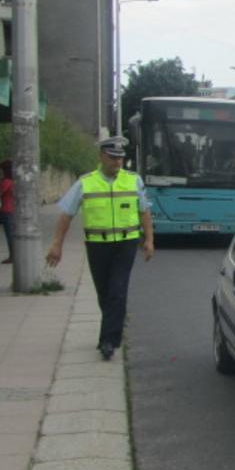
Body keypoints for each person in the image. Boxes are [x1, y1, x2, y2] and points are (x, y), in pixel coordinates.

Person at [47, 137, 155, 361]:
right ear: (101, 157)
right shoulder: (85, 182)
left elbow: (144, 211)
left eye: (120, 158)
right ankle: (113, 327)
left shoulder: (133, 181)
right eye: (113, 157)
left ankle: (108, 341)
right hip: (97, 245)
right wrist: (57, 244)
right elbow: (67, 214)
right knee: (104, 293)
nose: (117, 162)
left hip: (126, 243)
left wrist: (149, 240)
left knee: (117, 290)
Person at [0, 160, 15, 264]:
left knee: (10, 235)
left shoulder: (6, 181)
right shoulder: (14, 181)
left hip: (7, 209)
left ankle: (12, 255)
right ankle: (14, 254)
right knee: (12, 233)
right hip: (13, 209)